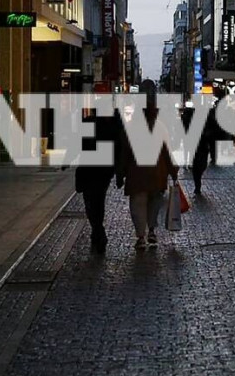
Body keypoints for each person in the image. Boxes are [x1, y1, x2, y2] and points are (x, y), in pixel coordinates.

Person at [118, 81, 179, 250]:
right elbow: (167, 153)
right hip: (157, 175)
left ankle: (140, 236)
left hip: (136, 175)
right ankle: (151, 230)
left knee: (138, 205)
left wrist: (120, 174)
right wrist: (173, 171)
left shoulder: (131, 127)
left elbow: (124, 153)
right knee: (154, 204)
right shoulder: (161, 127)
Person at [74, 109, 123, 253]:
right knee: (93, 201)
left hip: (99, 171)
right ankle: (97, 230)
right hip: (93, 169)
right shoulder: (108, 124)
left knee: (94, 201)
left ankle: (97, 230)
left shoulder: (115, 126)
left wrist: (119, 173)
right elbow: (79, 143)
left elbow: (120, 150)